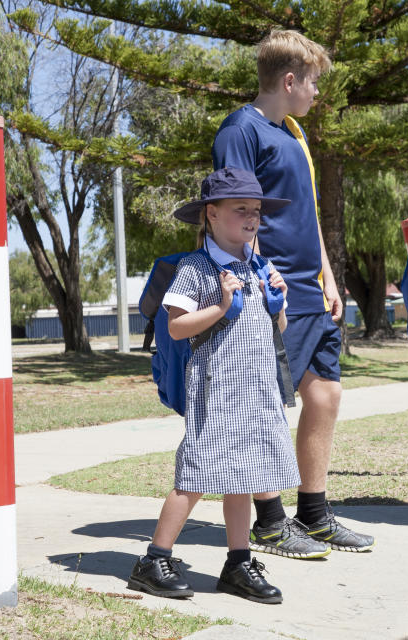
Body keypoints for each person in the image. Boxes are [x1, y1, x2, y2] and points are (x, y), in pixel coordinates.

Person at [211, 30, 375, 559]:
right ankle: (270, 521)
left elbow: (306, 214)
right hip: (272, 291)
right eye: (312, 83)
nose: (316, 93)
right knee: (266, 406)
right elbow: (232, 217)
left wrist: (329, 275)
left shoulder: (295, 132)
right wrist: (260, 282)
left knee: (324, 395)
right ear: (288, 80)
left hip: (312, 289)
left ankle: (315, 513)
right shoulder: (241, 131)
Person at [127, 167, 305, 604]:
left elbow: (274, 326)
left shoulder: (258, 266)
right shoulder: (196, 268)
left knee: (242, 476)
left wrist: (279, 305)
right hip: (217, 389)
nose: (251, 218)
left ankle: (238, 562)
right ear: (211, 214)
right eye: (240, 209)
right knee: (196, 473)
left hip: (257, 391)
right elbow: (176, 326)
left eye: (257, 211)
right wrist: (223, 306)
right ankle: (154, 558)